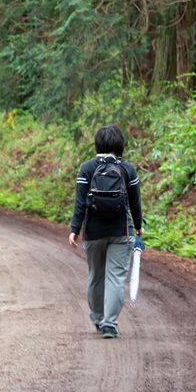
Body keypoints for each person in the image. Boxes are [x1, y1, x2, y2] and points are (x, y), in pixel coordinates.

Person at [68, 124, 144, 338]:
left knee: (96, 276)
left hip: (93, 232)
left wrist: (75, 229)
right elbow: (135, 203)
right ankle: (110, 324)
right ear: (120, 145)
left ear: (97, 144)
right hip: (122, 231)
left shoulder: (87, 168)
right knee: (116, 278)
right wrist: (138, 226)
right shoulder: (128, 169)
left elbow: (80, 203)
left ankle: (98, 318)